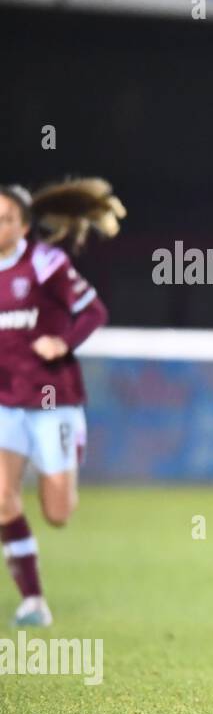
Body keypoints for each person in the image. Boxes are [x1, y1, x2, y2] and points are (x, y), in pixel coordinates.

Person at [0, 179, 122, 627]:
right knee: (2, 499)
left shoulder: (47, 263)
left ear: (25, 225)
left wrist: (62, 343)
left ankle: (69, 455)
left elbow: (94, 312)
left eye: (7, 218)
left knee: (57, 513)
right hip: (5, 402)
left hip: (53, 401)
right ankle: (33, 601)